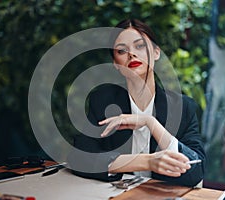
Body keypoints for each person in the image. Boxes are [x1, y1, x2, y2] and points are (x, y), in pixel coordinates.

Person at [68, 19, 205, 187]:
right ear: (116, 64)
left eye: (139, 46)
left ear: (156, 52)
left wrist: (150, 122)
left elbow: (196, 170)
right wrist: (147, 162)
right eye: (121, 50)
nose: (131, 54)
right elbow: (79, 158)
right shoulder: (103, 101)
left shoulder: (183, 107)